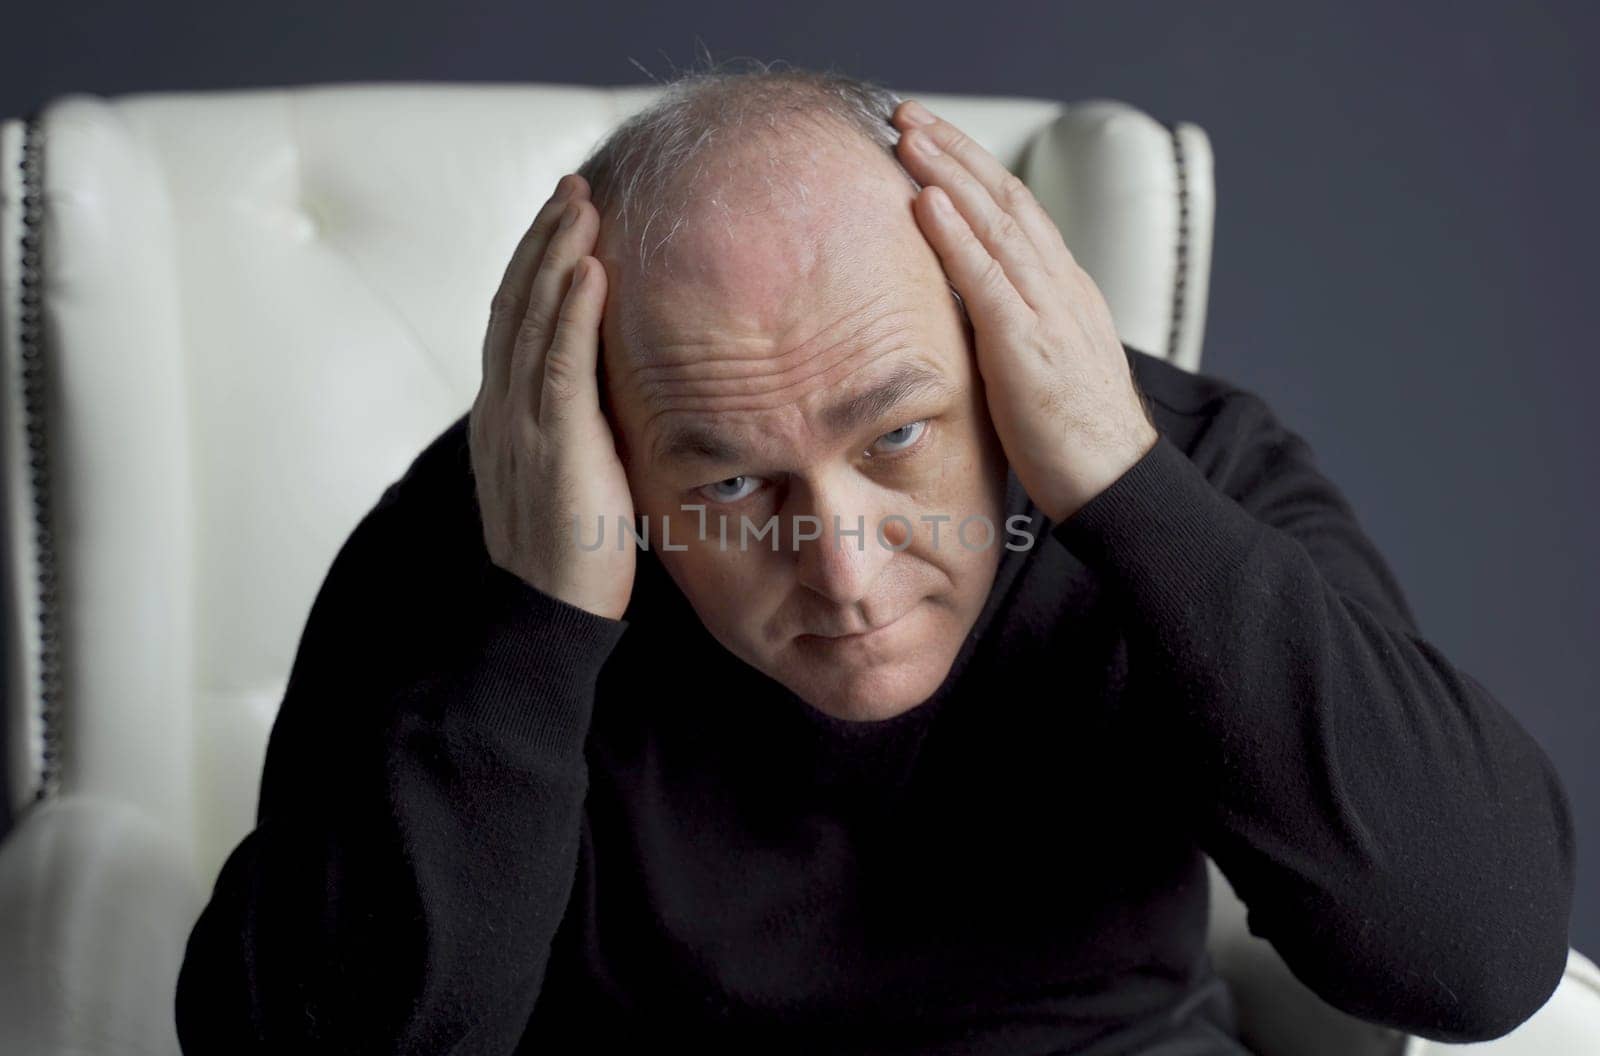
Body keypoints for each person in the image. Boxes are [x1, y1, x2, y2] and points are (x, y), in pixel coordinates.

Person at [173, 66, 1576, 1055]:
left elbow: (1476, 957)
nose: (841, 564)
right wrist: (536, 622)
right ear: (612, 442)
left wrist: (1125, 486)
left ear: (999, 356)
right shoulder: (494, 525)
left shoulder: (1171, 466)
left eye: (898, 433)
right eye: (726, 477)